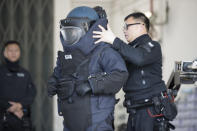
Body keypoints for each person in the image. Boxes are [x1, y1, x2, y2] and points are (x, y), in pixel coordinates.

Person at [47, 6, 128, 131]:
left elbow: (120, 74)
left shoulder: (104, 51)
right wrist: (53, 82)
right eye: (67, 32)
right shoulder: (66, 56)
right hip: (70, 121)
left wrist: (92, 84)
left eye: (73, 32)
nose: (70, 36)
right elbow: (58, 73)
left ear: (87, 29)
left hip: (97, 122)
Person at [93, 12, 177, 131]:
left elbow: (139, 58)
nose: (124, 30)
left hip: (149, 110)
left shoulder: (152, 46)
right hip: (135, 110)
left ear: (140, 26)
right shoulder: (129, 51)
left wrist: (114, 40)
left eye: (127, 26)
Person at [0, 41, 36, 131]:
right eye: (10, 50)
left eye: (16, 50)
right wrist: (9, 107)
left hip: (21, 118)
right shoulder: (1, 72)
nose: (13, 53)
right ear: (5, 53)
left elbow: (32, 92)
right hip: (3, 118)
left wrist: (19, 105)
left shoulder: (25, 73)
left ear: (20, 53)